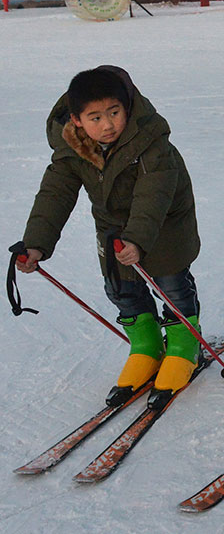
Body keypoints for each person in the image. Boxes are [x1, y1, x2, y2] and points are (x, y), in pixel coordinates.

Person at [17, 66, 203, 408]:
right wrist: (36, 243)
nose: (108, 125)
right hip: (113, 227)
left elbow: (154, 195)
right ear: (76, 120)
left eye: (115, 113)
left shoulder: (149, 140)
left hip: (163, 223)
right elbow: (55, 194)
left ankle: (183, 347)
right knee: (120, 286)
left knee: (171, 283)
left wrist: (137, 238)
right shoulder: (73, 148)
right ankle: (146, 347)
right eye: (95, 117)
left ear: (127, 108)